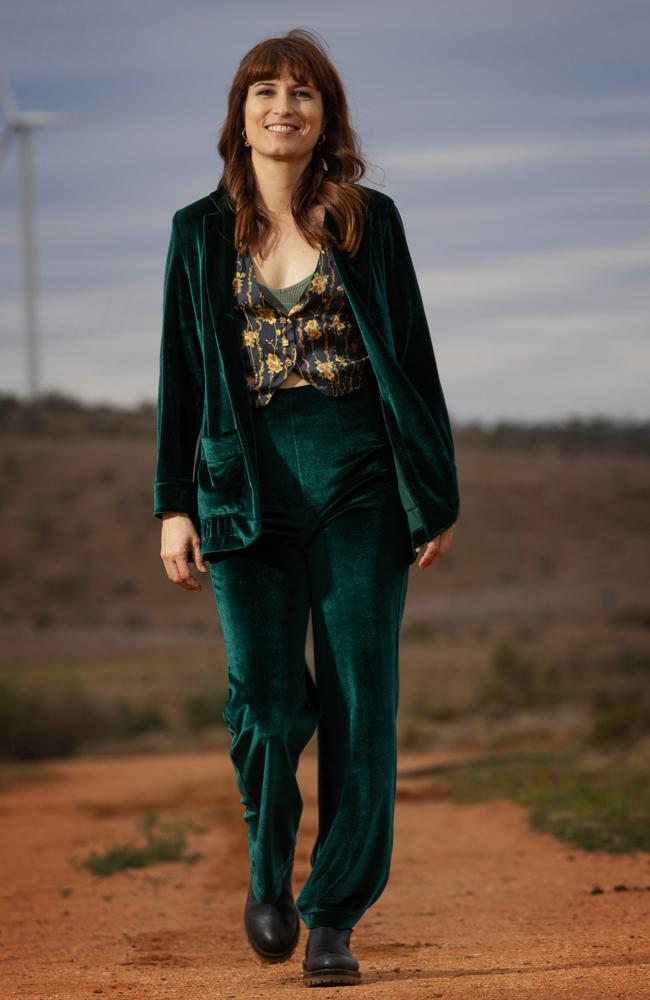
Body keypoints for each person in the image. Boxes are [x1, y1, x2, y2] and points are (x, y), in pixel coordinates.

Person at [154, 27, 459, 988]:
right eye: (265, 92)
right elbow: (178, 379)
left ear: (326, 117)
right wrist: (173, 504)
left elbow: (412, 359)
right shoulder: (195, 233)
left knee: (364, 698)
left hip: (360, 477)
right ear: (239, 116)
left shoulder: (371, 218)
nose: (284, 106)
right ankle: (266, 869)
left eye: (304, 92)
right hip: (242, 485)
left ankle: (333, 914)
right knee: (267, 703)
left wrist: (431, 488)